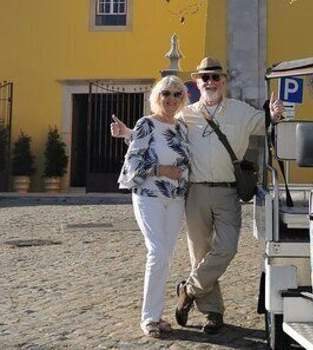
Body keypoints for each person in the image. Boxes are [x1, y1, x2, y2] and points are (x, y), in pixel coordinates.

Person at [111, 57, 284, 335]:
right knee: (200, 252)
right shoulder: (185, 115)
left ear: (224, 81)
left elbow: (265, 124)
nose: (210, 82)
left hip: (228, 191)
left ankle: (188, 289)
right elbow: (155, 129)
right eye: (205, 78)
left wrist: (274, 115)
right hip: (194, 192)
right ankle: (212, 312)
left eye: (215, 77)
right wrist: (129, 134)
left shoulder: (241, 111)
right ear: (198, 83)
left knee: (227, 248)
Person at [115, 75, 191, 339]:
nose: (171, 99)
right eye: (166, 93)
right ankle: (148, 318)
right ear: (156, 96)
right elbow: (132, 165)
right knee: (157, 252)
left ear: (183, 99)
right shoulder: (146, 123)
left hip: (176, 198)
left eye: (177, 94)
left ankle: (157, 315)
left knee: (165, 255)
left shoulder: (181, 128)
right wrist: (161, 169)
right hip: (149, 196)